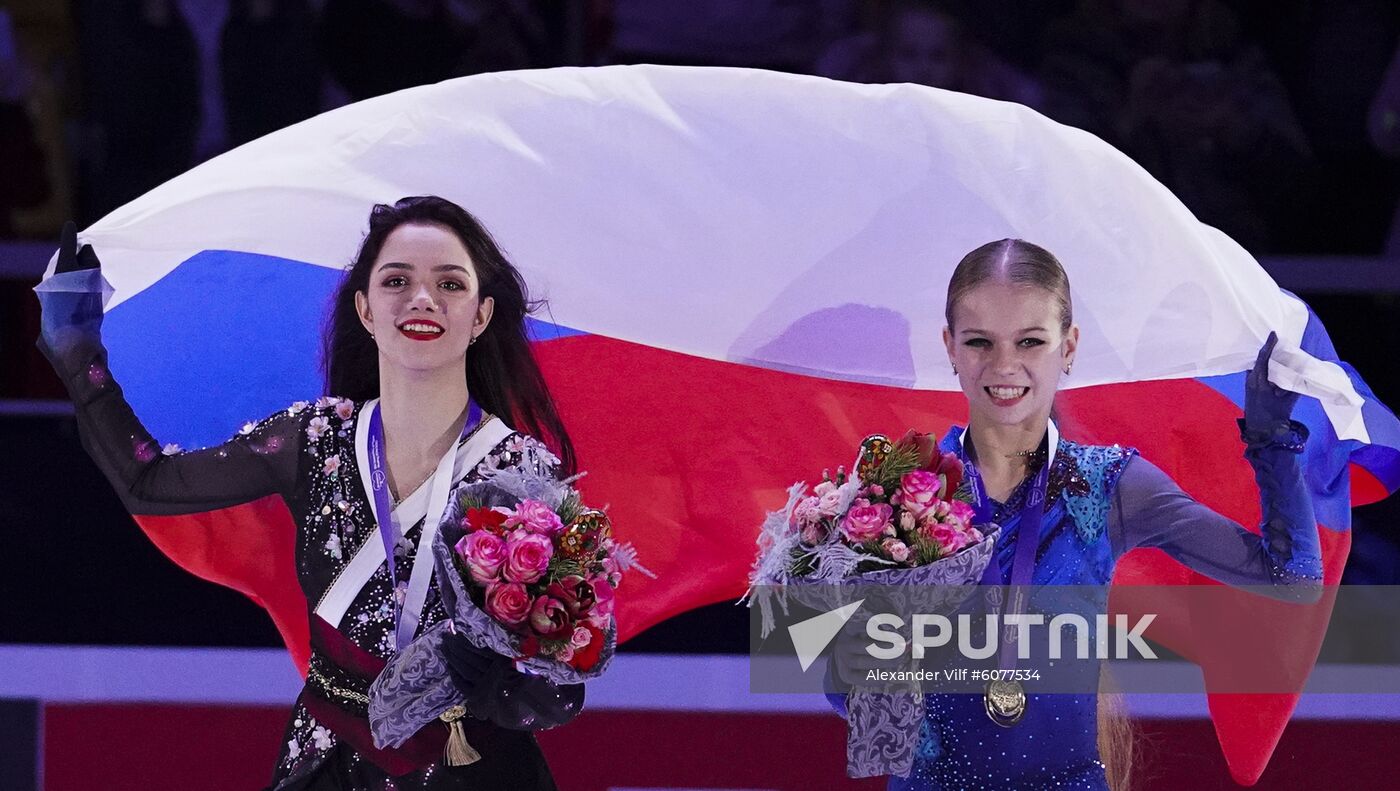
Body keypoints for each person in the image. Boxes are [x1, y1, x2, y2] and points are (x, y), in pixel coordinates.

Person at [35, 196, 587, 790]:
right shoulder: (314, 439)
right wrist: (77, 353)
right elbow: (150, 480)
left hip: (473, 766)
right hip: (331, 762)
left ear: (480, 316)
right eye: (396, 280)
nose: (421, 298)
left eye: (449, 283)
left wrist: (507, 685)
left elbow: (560, 681)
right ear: (365, 309)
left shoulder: (526, 476)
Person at [832, 238, 1322, 790]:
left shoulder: (1112, 485)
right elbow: (856, 703)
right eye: (979, 342)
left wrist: (1272, 439)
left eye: (1030, 341)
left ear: (1069, 347)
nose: (1004, 365)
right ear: (949, 346)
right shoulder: (896, 492)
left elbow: (1293, 578)